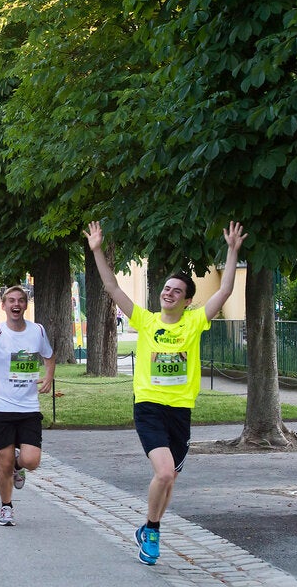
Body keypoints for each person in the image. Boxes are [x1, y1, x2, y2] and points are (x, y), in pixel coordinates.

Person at [85, 220, 246, 565]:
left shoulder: (195, 322)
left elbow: (226, 290)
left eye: (176, 291)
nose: (168, 293)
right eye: (166, 288)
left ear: (187, 301)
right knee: (164, 473)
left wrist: (232, 251)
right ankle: (154, 531)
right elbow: (113, 287)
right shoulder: (146, 321)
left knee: (169, 478)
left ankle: (148, 526)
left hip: (180, 410)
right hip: (149, 406)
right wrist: (98, 250)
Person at [0, 281, 55, 527]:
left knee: (32, 460)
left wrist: (48, 375)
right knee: (3, 461)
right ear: (4, 306)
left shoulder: (37, 330)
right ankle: (6, 506)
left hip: (28, 408)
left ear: (26, 305)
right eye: (11, 301)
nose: (16, 304)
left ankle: (19, 465)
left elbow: (48, 355)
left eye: (21, 300)